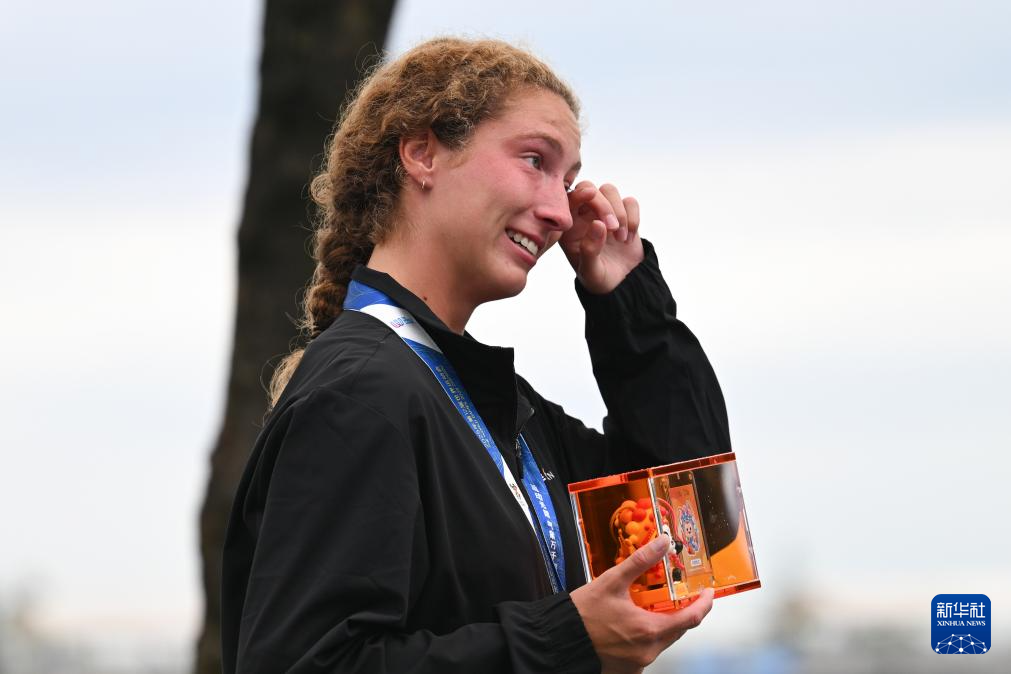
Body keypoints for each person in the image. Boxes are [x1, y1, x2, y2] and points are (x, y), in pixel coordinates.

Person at [221, 37, 731, 674]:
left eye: (567, 180)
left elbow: (694, 532)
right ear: (422, 153)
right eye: (534, 161)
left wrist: (628, 302)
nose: (559, 211)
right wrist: (562, 640)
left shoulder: (494, 409)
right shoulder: (360, 394)